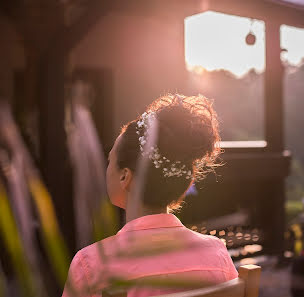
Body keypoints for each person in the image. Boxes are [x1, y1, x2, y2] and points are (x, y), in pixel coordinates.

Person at [62, 94, 238, 297]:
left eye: (109, 160)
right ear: (188, 182)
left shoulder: (92, 266)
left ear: (124, 177)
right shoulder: (217, 256)